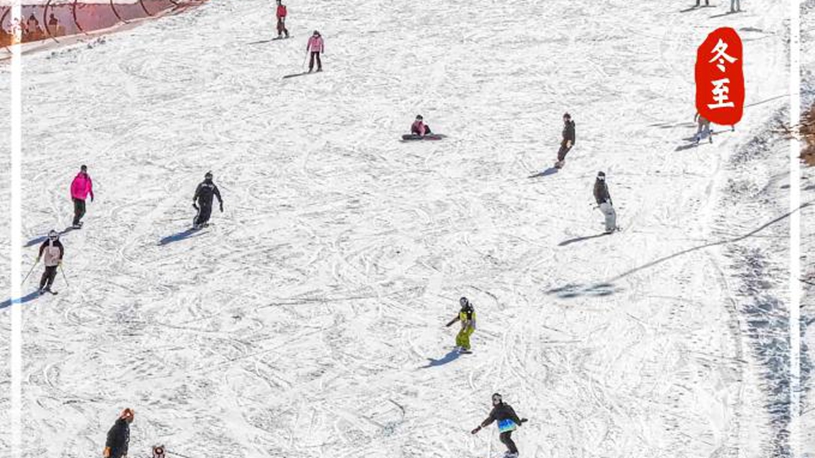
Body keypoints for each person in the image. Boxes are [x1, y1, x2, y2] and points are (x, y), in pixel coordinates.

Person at [471, 393, 527, 458]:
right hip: (503, 427)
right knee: (502, 438)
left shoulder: (506, 407)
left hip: (508, 424)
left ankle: (514, 452)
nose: (496, 401)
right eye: (495, 400)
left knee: (506, 437)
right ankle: (511, 451)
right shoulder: (494, 411)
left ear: (500, 400)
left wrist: (519, 422)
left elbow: (513, 415)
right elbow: (489, 419)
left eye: (498, 400)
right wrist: (480, 427)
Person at [36, 230, 64, 294]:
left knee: (53, 273)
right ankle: (41, 285)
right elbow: (41, 248)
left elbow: (61, 252)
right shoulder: (47, 242)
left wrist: (60, 259)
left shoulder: (59, 244)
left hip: (55, 260)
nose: (53, 238)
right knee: (47, 272)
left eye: (54, 237)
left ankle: (49, 285)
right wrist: (39, 256)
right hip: (48, 260)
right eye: (51, 237)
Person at [70, 165, 94, 229]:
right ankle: (75, 223)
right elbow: (72, 187)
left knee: (83, 211)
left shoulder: (88, 178)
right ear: (81, 170)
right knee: (77, 211)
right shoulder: (77, 178)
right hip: (76, 196)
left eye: (85, 169)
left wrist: (91, 194)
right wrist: (72, 196)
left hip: (83, 197)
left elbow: (89, 187)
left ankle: (77, 221)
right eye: (82, 169)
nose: (84, 171)